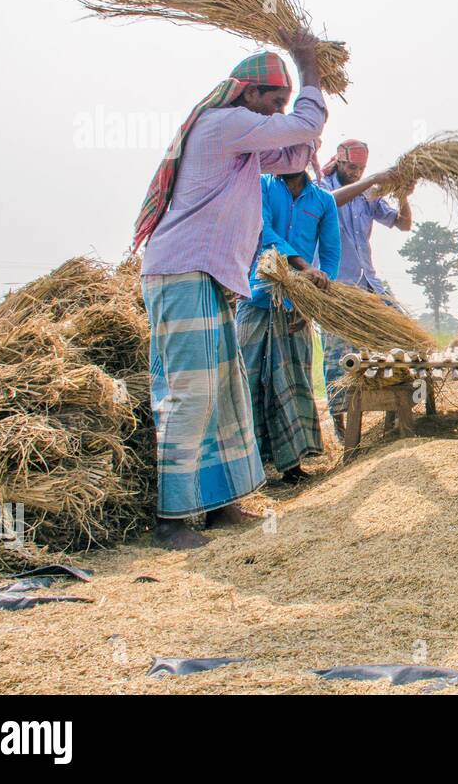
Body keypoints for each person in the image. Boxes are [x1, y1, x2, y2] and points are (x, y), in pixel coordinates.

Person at [137, 33, 327, 549]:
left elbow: (292, 154)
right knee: (191, 393)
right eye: (274, 102)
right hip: (183, 271)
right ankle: (171, 521)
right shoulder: (222, 125)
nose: (276, 113)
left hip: (208, 276)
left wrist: (304, 116)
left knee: (223, 393)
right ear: (247, 94)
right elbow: (304, 127)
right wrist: (309, 67)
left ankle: (219, 509)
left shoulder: (240, 143)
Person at [237, 169, 340, 485]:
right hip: (256, 296)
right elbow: (263, 230)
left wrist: (316, 292)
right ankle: (248, 468)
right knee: (248, 379)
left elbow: (331, 253)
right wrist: (304, 267)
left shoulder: (322, 201)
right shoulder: (263, 187)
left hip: (296, 308)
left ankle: (292, 465)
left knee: (291, 377)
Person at [316, 140, 414, 434]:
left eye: (361, 169)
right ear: (339, 162)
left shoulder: (368, 196)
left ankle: (395, 409)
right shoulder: (321, 188)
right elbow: (329, 203)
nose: (356, 173)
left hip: (369, 281)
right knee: (338, 353)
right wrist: (372, 180)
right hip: (336, 286)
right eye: (351, 167)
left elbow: (404, 224)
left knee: (397, 336)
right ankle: (339, 421)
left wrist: (403, 196)